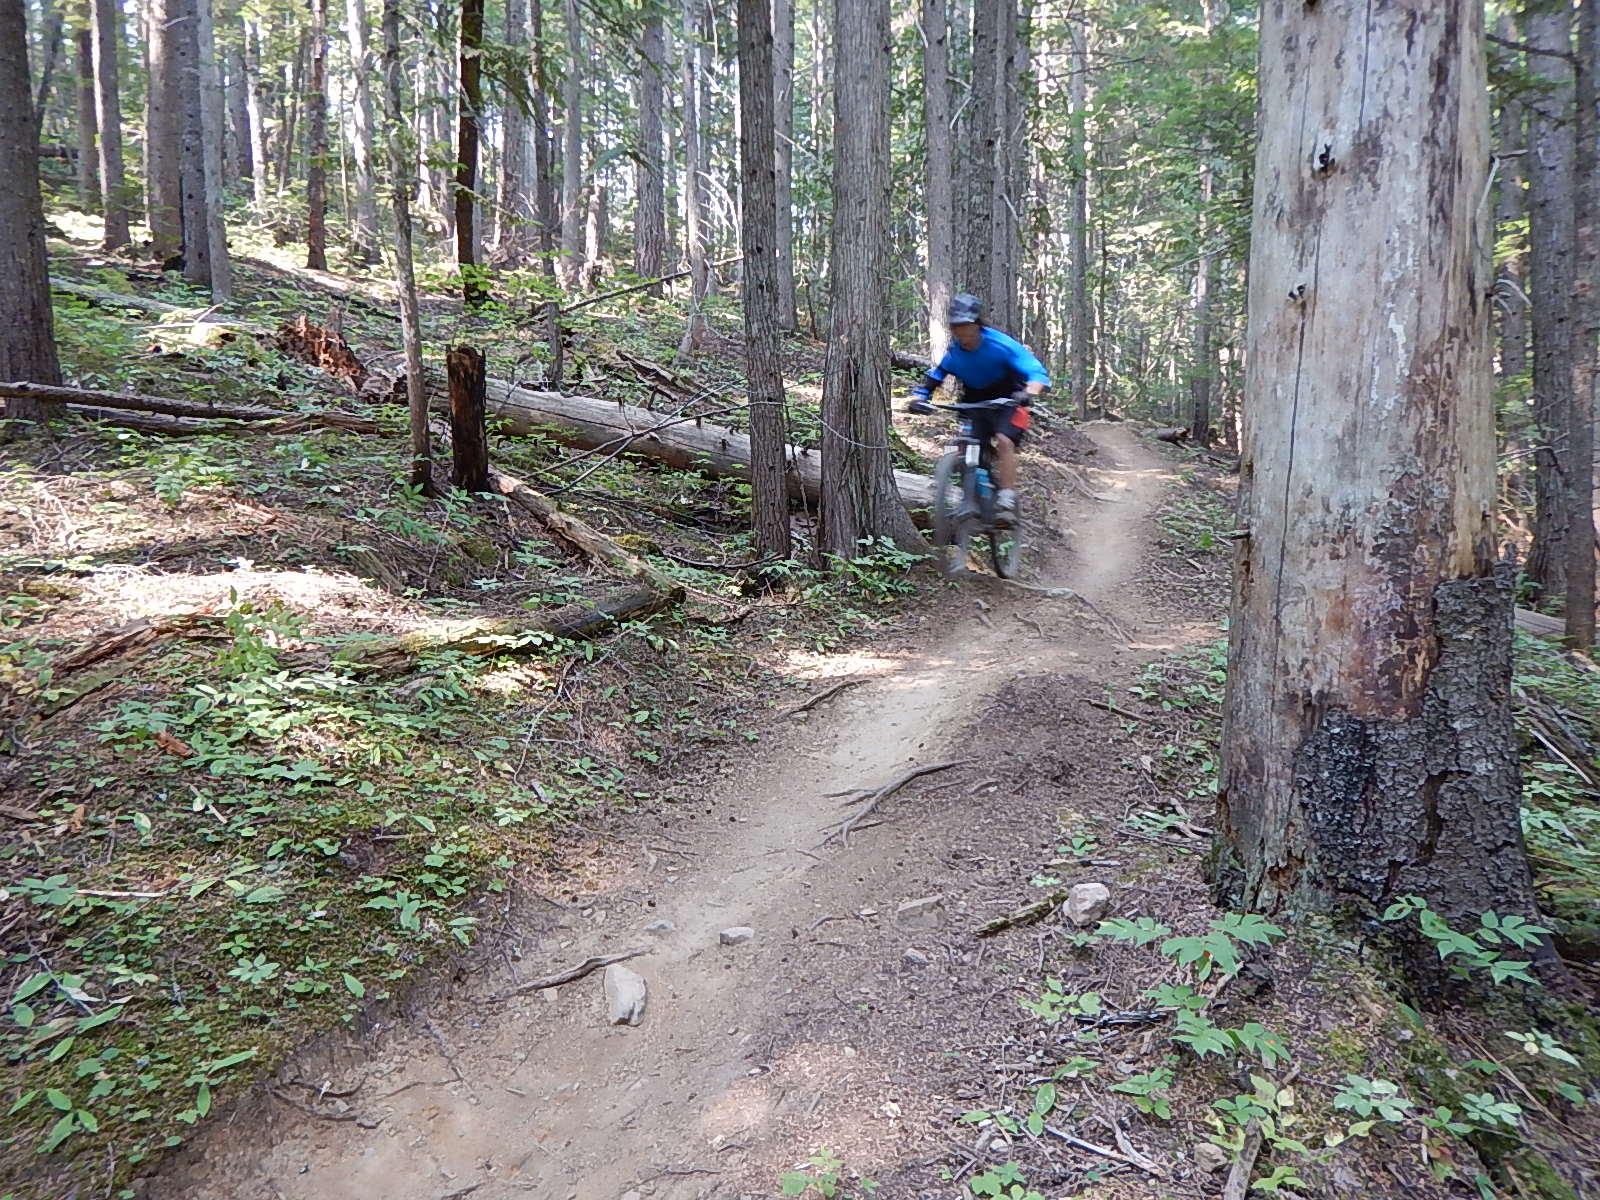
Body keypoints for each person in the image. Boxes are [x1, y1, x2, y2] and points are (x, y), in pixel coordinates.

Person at [906, 293, 1049, 526]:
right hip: (975, 402)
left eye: (966, 326)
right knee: (966, 447)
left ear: (977, 324)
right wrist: (921, 397)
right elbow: (937, 375)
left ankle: (1006, 498)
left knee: (1004, 440)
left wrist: (1029, 392)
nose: (962, 333)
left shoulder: (1000, 345)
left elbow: (1036, 372)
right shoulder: (955, 353)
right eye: (957, 327)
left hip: (1009, 400)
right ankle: (972, 498)